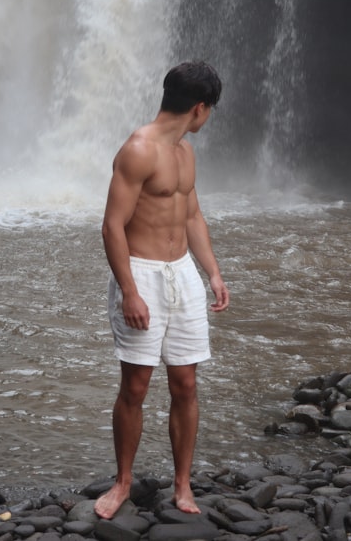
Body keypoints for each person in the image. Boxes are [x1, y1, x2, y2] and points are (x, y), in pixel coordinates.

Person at [95, 61, 230, 520]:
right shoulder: (138, 150)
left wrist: (211, 271)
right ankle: (122, 483)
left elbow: (192, 216)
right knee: (135, 385)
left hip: (183, 274)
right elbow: (112, 226)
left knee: (186, 383)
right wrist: (129, 292)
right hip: (142, 273)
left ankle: (182, 484)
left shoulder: (185, 154)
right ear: (199, 108)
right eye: (209, 110)